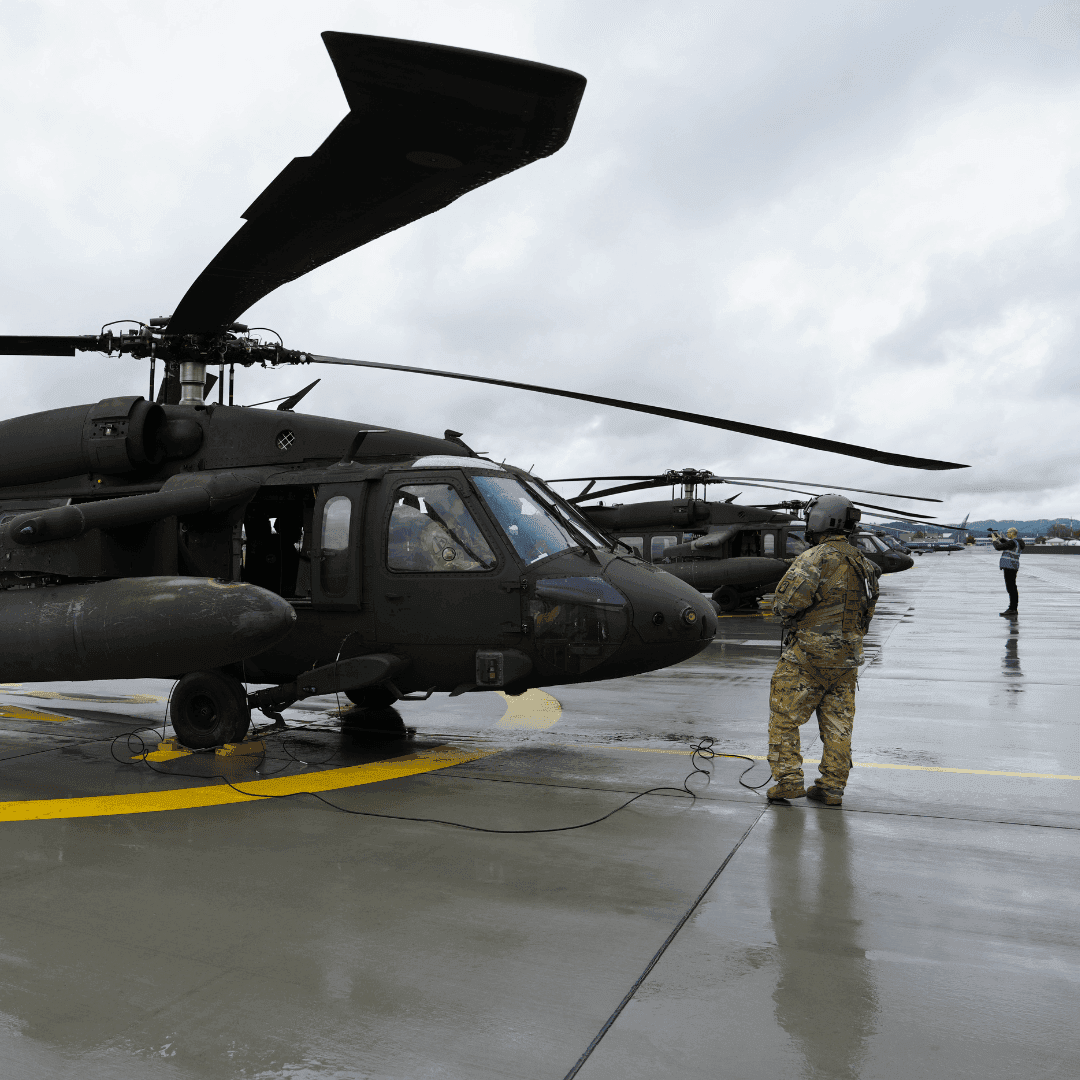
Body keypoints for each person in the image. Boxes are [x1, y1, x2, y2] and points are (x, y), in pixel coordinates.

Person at [766, 494, 879, 808]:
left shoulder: (814, 558)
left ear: (819, 520)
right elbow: (867, 613)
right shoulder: (866, 565)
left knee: (784, 718)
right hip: (846, 660)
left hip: (807, 658)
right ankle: (832, 787)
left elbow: (785, 605)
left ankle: (788, 781)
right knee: (838, 725)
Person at [992, 527, 1024, 618]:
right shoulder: (1017, 542)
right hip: (1012, 566)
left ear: (1012, 533)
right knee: (1012, 587)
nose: (1007, 533)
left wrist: (994, 540)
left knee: (1011, 588)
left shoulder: (1013, 542)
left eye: (1008, 532)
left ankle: (1012, 609)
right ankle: (1013, 608)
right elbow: (1007, 543)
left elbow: (998, 547)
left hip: (1009, 566)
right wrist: (999, 538)